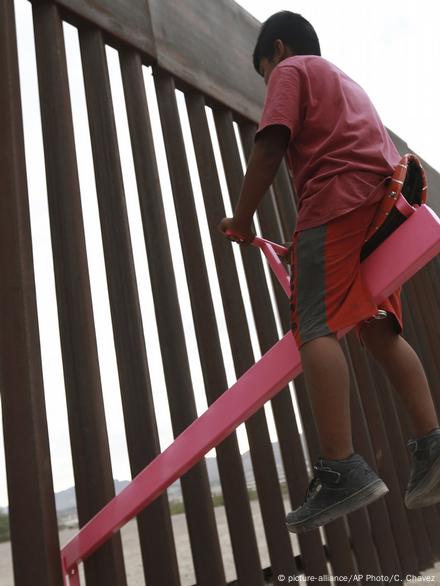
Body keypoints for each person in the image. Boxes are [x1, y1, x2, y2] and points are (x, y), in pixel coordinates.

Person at [218, 10, 440, 533]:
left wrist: (242, 216)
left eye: (264, 71)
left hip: (335, 201)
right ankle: (433, 445)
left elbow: (270, 144)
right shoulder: (347, 83)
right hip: (383, 206)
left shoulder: (291, 72)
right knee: (378, 329)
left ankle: (341, 467)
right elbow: (357, 151)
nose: (269, 82)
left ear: (277, 48)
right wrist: (307, 248)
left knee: (314, 325)